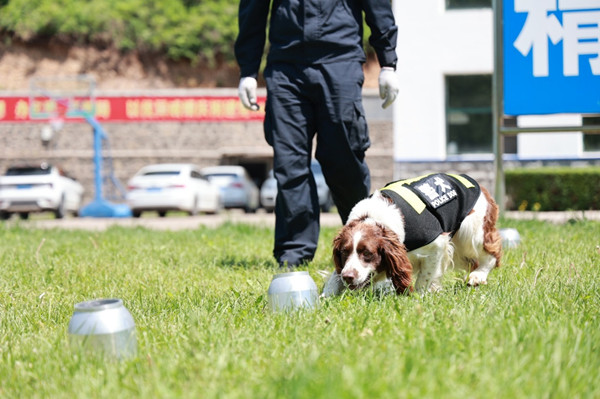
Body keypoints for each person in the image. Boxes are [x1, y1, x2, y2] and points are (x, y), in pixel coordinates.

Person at [235, 0, 400, 268]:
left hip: (340, 60)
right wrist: (248, 70)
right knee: (290, 165)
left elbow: (377, 6)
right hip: (286, 66)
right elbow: (253, 8)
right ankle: (294, 254)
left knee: (343, 160)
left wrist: (388, 62)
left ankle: (366, 240)